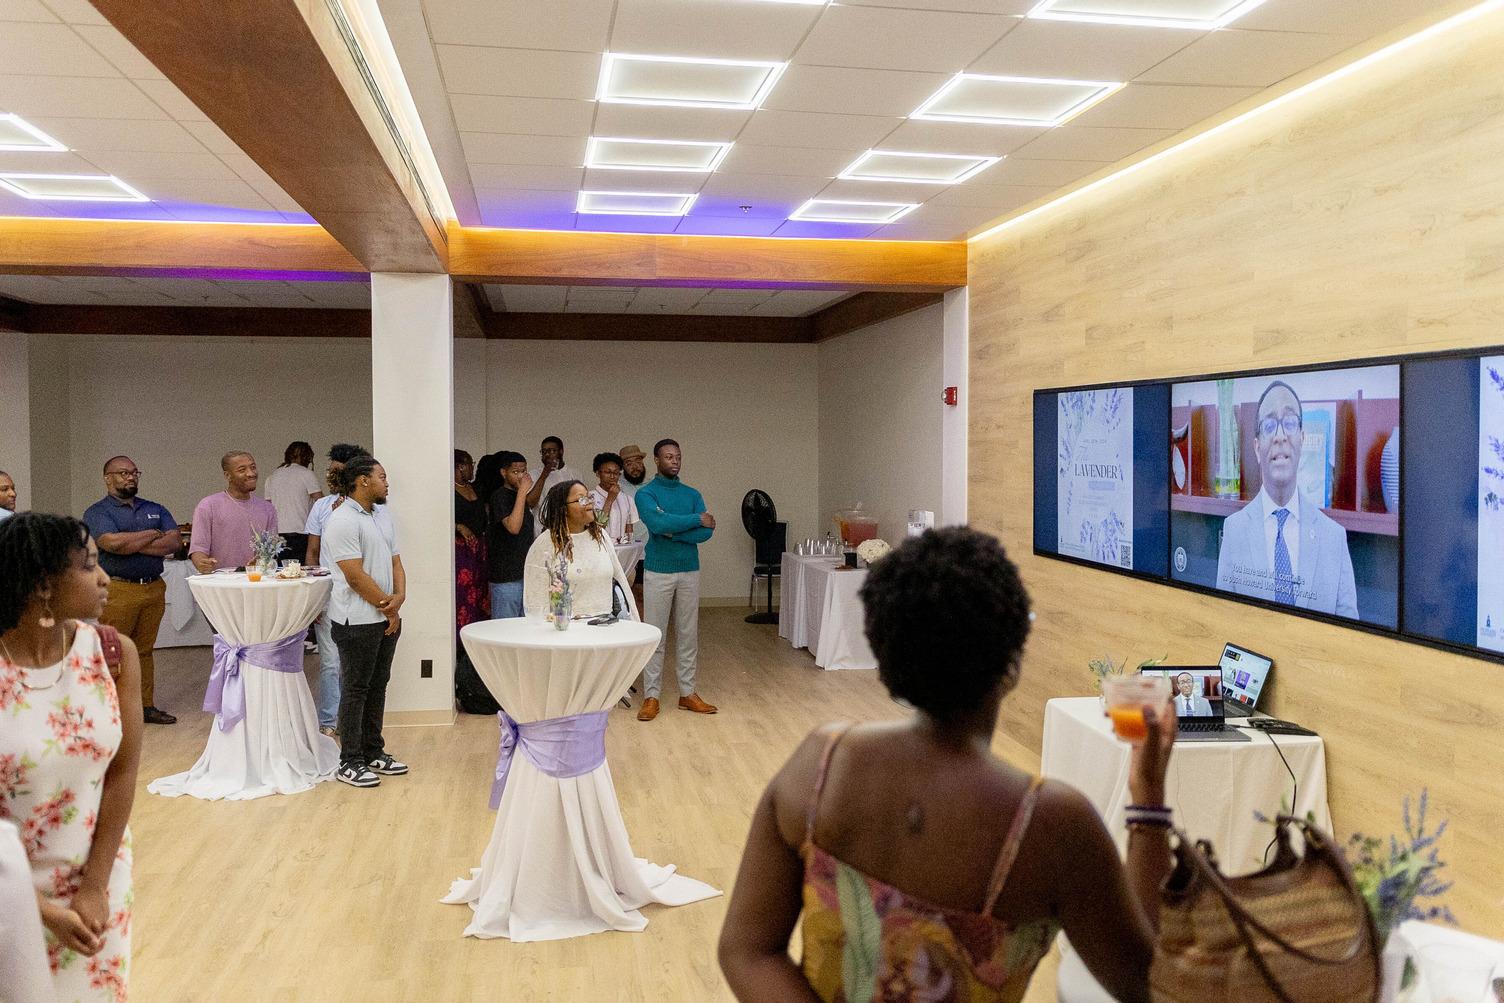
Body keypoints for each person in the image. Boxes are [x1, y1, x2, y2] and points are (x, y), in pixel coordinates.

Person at [718, 528, 1176, 1003]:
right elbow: (1146, 983)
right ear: (1012, 663)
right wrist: (1148, 803)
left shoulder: (820, 765)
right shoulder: (1052, 824)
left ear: (882, 654)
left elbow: (747, 953)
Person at [0, 513, 144, 1001]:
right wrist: (39, 909)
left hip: (96, 880)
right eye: (88, 567)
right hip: (7, 890)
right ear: (43, 584)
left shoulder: (113, 654)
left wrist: (95, 886)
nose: (104, 579)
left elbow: (123, 771)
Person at [1215, 380, 1358, 618]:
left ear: (1302, 438)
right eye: (1269, 425)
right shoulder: (1234, 530)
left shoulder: (1334, 538)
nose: (1280, 436)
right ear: (1256, 446)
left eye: (1290, 423)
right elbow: (1224, 623)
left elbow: (1351, 639)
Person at [322, 454, 408, 789]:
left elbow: (396, 561)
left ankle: (373, 751)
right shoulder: (342, 520)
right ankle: (350, 760)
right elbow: (355, 577)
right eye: (382, 477)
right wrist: (389, 607)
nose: (387, 483)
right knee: (356, 689)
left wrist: (398, 599)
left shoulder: (382, 516)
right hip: (355, 620)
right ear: (363, 481)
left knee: (377, 686)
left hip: (386, 616)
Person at [84, 455, 181, 725]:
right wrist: (153, 533)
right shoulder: (98, 512)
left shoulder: (155, 508)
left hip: (152, 588)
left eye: (135, 472)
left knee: (144, 650)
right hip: (118, 590)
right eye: (124, 473)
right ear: (107, 478)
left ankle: (145, 706)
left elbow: (174, 542)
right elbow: (112, 544)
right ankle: (109, 710)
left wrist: (134, 542)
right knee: (112, 650)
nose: (131, 477)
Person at [306, 443, 385, 737]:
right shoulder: (321, 508)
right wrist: (313, 596)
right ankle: (329, 721)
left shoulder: (375, 511)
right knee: (330, 662)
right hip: (331, 594)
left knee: (360, 670)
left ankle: (356, 724)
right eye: (331, 471)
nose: (333, 477)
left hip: (366, 597)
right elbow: (312, 552)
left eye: (339, 472)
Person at [635, 439, 717, 720]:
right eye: (668, 456)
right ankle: (651, 696)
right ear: (656, 461)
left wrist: (673, 530)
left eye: (678, 456)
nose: (675, 461)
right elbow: (657, 525)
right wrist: (695, 519)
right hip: (658, 570)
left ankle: (688, 693)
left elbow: (706, 533)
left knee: (687, 633)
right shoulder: (646, 495)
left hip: (689, 569)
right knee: (655, 635)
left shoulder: (692, 493)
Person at [523, 481, 639, 620]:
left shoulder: (600, 536)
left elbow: (621, 580)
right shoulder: (545, 544)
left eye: (589, 498)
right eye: (581, 499)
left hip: (605, 626)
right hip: (565, 630)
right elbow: (535, 600)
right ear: (563, 509)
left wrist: (635, 621)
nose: (590, 503)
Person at [188, 451, 277, 574]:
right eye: (242, 470)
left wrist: (260, 562)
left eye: (253, 467)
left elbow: (271, 550)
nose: (251, 473)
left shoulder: (268, 509)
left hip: (257, 582)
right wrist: (202, 564)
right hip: (220, 583)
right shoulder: (208, 506)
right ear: (228, 476)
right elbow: (198, 549)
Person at [485, 451, 534, 619]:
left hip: (524, 573)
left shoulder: (520, 497)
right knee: (505, 630)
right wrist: (522, 492)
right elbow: (513, 527)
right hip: (506, 576)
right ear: (503, 473)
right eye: (515, 472)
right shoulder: (499, 496)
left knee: (523, 629)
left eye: (523, 471)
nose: (520, 476)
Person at [262, 441, 321, 563]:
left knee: (279, 574)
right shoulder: (307, 474)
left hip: (276, 535)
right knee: (300, 574)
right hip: (301, 533)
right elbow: (321, 501)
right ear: (306, 456)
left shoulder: (272, 476)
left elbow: (267, 507)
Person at [454, 450, 490, 630]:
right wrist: (458, 526)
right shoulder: (447, 490)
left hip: (479, 548)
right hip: (461, 551)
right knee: (463, 596)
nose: (472, 468)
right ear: (460, 466)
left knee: (480, 594)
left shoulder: (475, 488)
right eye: (470, 464)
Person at [525, 436, 581, 536]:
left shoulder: (574, 474)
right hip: (541, 529)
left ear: (561, 451)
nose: (547, 454)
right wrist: (544, 474)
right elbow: (530, 503)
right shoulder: (534, 474)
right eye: (544, 451)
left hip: (569, 529)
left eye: (552, 451)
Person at [589, 452, 639, 544]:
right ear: (597, 473)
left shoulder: (628, 499)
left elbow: (629, 531)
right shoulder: (589, 498)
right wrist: (610, 499)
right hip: (599, 550)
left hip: (622, 552)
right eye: (608, 472)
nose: (612, 477)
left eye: (616, 473)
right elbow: (598, 528)